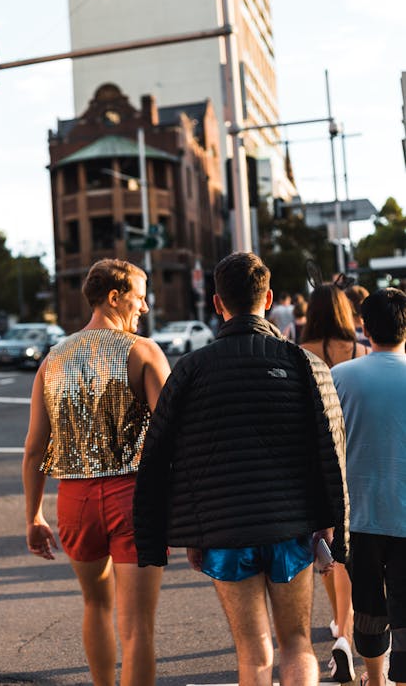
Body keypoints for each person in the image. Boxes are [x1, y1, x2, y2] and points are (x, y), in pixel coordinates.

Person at [134, 251, 349, 686]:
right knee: (297, 644)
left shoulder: (191, 370)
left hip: (223, 530)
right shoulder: (305, 365)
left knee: (252, 653)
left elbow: (159, 457)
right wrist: (332, 527)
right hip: (291, 527)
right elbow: (331, 450)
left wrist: (181, 535)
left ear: (218, 303)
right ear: (268, 298)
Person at [22, 258, 171, 686]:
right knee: (138, 625)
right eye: (140, 298)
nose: (144, 308)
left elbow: (34, 450)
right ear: (115, 297)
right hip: (133, 497)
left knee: (95, 605)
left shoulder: (52, 359)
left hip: (75, 501)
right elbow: (171, 435)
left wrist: (34, 515)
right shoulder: (143, 352)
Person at [331, 288, 406, 686]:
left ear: (364, 326)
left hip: (357, 514)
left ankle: (375, 679)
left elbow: (326, 448)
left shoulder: (341, 376)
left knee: (369, 606)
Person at [301, 282, 369, 683]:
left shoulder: (300, 352)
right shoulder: (359, 350)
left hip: (318, 471)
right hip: (359, 462)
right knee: (364, 551)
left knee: (330, 553)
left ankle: (339, 625)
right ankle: (355, 628)